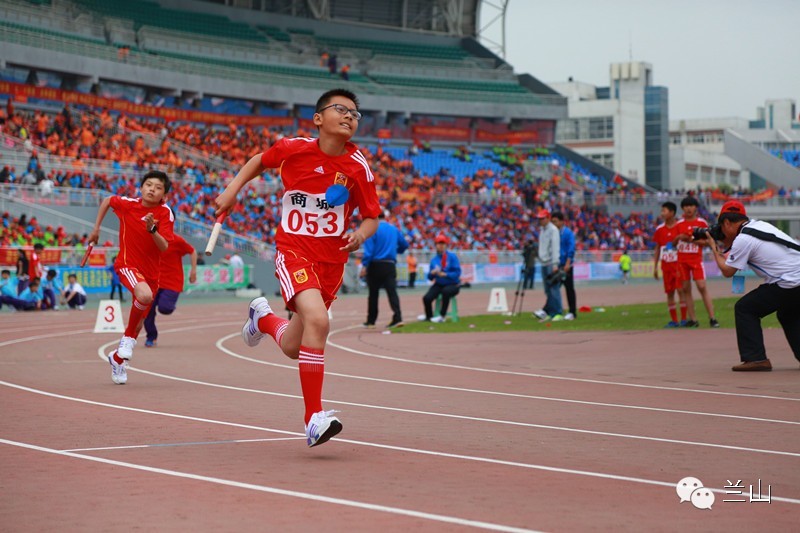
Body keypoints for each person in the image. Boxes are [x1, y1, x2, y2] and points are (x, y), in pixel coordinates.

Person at [213, 88, 380, 448]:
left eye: (355, 113)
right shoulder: (294, 148)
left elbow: (371, 217)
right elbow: (259, 160)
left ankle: (263, 319)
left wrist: (360, 236)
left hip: (332, 262)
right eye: (341, 109)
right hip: (294, 252)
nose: (350, 116)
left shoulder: (358, 166)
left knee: (293, 345)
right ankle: (313, 419)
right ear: (319, 119)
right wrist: (232, 190)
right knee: (319, 321)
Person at [88, 170, 175, 385]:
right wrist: (96, 228)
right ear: (142, 187)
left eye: (157, 187)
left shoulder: (165, 213)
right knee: (143, 296)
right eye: (148, 184)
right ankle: (126, 341)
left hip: (151, 275)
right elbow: (108, 200)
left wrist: (152, 229)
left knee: (138, 325)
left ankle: (117, 359)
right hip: (127, 265)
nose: (151, 189)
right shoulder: (128, 205)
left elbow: (164, 246)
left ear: (164, 194)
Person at [705, 200, 800, 371]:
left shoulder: (743, 239)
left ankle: (756, 359)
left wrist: (713, 246)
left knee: (745, 308)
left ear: (726, 223)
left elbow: (728, 271)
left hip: (789, 280)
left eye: (722, 228)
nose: (722, 233)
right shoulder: (760, 225)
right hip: (795, 278)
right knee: (788, 314)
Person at [143, 234, 198, 347]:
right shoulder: (149, 239)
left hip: (172, 282)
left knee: (165, 308)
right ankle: (151, 337)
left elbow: (192, 251)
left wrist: (193, 270)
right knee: (147, 311)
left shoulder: (176, 240)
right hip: (153, 281)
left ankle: (166, 303)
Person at [674, 196, 719, 328]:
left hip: (696, 259)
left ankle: (712, 318)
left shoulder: (701, 223)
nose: (688, 208)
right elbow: (673, 243)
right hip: (682, 260)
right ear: (682, 208)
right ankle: (693, 319)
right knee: (686, 289)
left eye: (691, 206)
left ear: (695, 208)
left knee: (701, 286)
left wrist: (692, 240)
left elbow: (708, 242)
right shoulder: (679, 224)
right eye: (686, 206)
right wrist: (678, 238)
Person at [360, 211, 408, 328]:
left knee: (373, 294)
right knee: (392, 292)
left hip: (375, 264)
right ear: (385, 217)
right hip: (389, 264)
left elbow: (369, 250)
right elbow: (404, 245)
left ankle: (371, 321)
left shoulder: (372, 229)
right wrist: (396, 251)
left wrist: (365, 265)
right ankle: (398, 317)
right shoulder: (393, 229)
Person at [652, 201, 684, 327]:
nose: (662, 213)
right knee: (670, 293)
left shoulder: (679, 227)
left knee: (681, 291)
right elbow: (657, 248)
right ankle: (674, 320)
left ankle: (684, 319)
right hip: (666, 266)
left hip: (678, 265)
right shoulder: (659, 229)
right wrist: (655, 267)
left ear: (672, 212)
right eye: (662, 211)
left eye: (664, 211)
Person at [418, 234, 461, 323]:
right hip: (439, 284)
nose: (441, 246)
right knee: (426, 298)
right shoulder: (434, 260)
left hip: (453, 284)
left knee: (446, 292)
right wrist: (432, 273)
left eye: (443, 243)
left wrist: (446, 274)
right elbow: (430, 278)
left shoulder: (452, 257)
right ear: (436, 245)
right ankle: (429, 317)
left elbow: (457, 273)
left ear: (446, 245)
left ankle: (442, 316)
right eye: (439, 243)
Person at [532, 209, 562, 322]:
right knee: (548, 290)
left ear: (548, 218)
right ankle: (550, 311)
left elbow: (555, 247)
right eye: (539, 219)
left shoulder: (553, 230)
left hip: (550, 263)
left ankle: (558, 312)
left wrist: (555, 264)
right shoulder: (542, 230)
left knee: (554, 289)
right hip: (544, 262)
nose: (540, 221)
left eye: (542, 218)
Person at [551, 212, 576, 320]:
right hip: (557, 264)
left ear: (562, 221)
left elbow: (571, 248)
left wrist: (567, 263)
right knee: (553, 288)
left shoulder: (567, 233)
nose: (553, 223)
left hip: (566, 265)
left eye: (555, 221)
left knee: (569, 288)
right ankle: (555, 310)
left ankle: (572, 312)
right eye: (552, 221)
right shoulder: (554, 233)